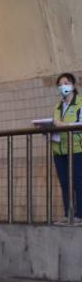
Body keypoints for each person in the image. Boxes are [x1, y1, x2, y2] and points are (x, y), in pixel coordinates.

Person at [52, 73, 82, 222]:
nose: (62, 86)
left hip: (77, 148)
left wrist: (64, 126)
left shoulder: (80, 103)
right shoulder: (57, 106)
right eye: (59, 84)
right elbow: (56, 125)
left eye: (65, 83)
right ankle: (68, 214)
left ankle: (80, 215)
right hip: (59, 149)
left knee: (78, 181)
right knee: (65, 183)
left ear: (73, 85)